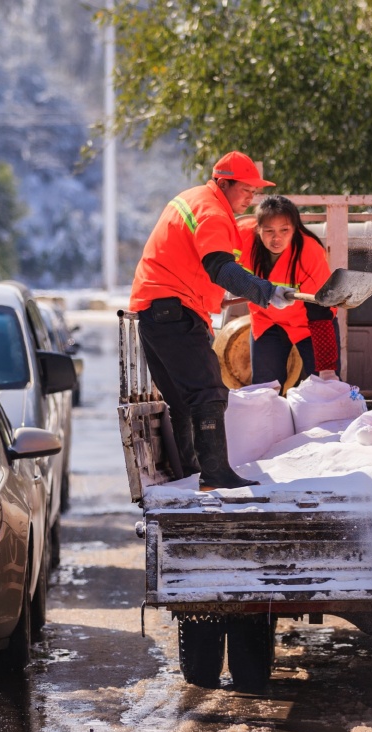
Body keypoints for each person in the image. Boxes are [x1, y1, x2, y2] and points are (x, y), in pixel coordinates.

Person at [129, 151, 297, 490]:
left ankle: (191, 474)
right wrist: (264, 291)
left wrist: (246, 293)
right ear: (224, 182)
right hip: (174, 311)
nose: (252, 198)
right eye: (246, 189)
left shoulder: (194, 200)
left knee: (182, 399)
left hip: (155, 310)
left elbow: (197, 271)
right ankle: (215, 474)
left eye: (255, 191)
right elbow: (220, 267)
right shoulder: (213, 212)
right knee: (208, 394)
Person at [239, 195, 341, 387]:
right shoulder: (242, 238)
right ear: (257, 229)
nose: (276, 238)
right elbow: (219, 264)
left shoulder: (310, 251)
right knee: (264, 388)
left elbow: (319, 308)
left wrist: (326, 366)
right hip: (266, 320)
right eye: (268, 230)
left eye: (284, 230)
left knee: (326, 385)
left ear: (295, 228)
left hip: (309, 323)